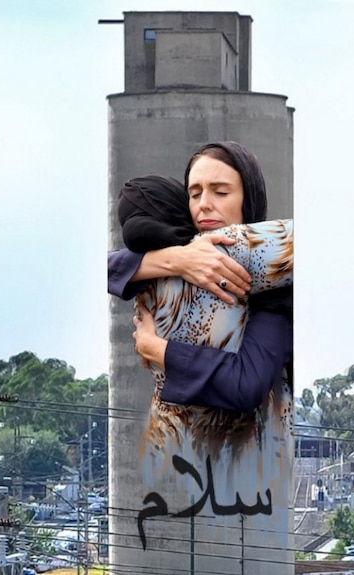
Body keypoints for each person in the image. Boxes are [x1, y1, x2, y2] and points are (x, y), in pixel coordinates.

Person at [108, 141, 293, 412]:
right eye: (194, 194)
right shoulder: (172, 262)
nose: (204, 205)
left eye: (220, 192)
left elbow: (245, 384)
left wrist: (157, 348)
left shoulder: (276, 280)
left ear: (248, 196)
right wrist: (176, 260)